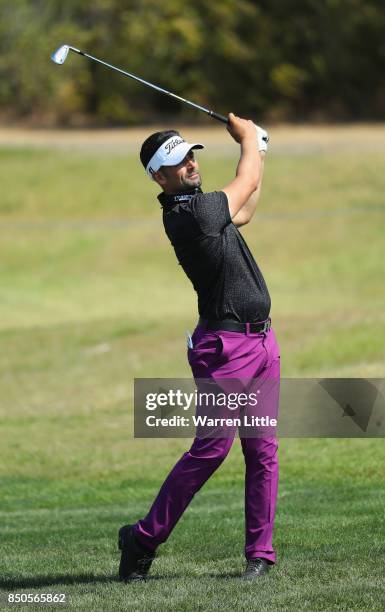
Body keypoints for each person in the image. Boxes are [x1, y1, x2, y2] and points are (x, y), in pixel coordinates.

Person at [118, 113, 281, 582]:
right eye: (177, 161)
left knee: (263, 450)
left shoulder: (205, 205)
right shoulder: (188, 214)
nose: (189, 163)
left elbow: (245, 206)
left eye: (190, 154)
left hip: (262, 341)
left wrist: (260, 149)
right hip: (225, 349)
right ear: (158, 176)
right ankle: (143, 538)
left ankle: (260, 555)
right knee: (212, 449)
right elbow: (245, 180)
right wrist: (250, 140)